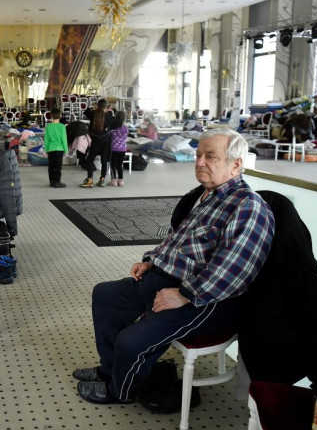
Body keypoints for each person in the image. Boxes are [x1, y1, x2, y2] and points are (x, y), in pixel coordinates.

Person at [74, 128, 275, 405]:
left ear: (236, 164)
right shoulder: (205, 195)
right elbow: (177, 242)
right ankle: (110, 370)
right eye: (198, 155)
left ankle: (121, 391)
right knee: (106, 296)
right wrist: (150, 261)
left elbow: (234, 272)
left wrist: (184, 295)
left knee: (132, 341)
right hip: (167, 279)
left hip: (208, 299)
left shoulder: (248, 207)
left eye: (211, 156)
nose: (200, 162)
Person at [80, 99, 113, 188]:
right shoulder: (109, 116)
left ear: (97, 106)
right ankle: (102, 180)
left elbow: (86, 111)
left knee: (90, 161)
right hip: (106, 141)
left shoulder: (93, 114)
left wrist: (93, 108)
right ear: (106, 107)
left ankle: (90, 180)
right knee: (104, 161)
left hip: (95, 141)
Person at [44, 109, 68, 188]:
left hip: (50, 149)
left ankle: (52, 181)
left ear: (51, 116)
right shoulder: (62, 126)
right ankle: (57, 181)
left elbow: (46, 139)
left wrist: (46, 149)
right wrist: (66, 150)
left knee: (51, 166)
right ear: (60, 116)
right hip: (59, 149)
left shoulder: (48, 127)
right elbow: (64, 139)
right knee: (58, 166)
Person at [108, 112, 129, 187]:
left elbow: (108, 135)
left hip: (114, 149)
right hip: (123, 149)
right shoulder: (125, 128)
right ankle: (121, 181)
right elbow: (125, 137)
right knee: (119, 165)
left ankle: (114, 181)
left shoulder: (113, 127)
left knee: (113, 165)